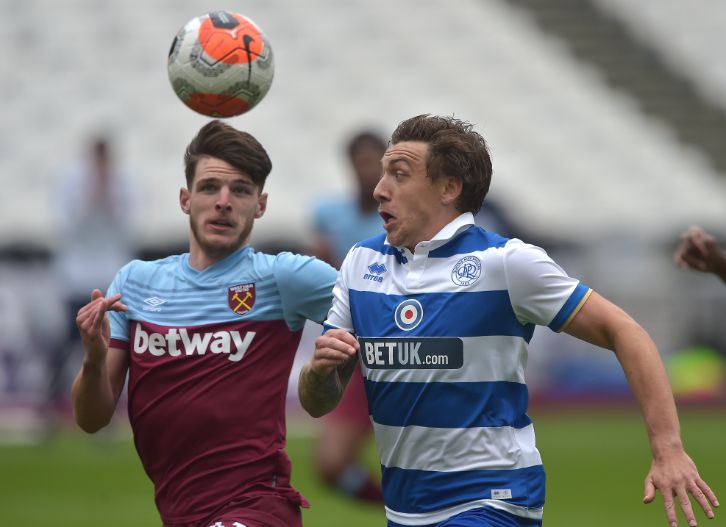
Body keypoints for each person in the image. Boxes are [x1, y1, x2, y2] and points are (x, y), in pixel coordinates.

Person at [298, 114, 719, 527]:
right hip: (406, 508)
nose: (379, 189)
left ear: (448, 188)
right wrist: (318, 373)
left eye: (399, 174)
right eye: (382, 174)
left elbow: (625, 331)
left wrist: (668, 449)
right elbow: (319, 402)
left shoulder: (507, 263)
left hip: (494, 499)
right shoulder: (360, 263)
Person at [71, 120, 338, 527]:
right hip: (181, 512)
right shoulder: (135, 283)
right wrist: (92, 358)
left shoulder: (285, 278)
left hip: (257, 506)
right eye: (210, 187)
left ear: (260, 205)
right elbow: (91, 419)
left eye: (242, 190)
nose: (224, 201)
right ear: (185, 198)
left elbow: (378, 306)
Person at [308, 131, 386, 502]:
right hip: (357, 351)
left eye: (373, 161)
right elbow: (322, 278)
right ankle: (393, 504)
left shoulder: (401, 218)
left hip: (402, 349)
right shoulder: (331, 215)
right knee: (332, 465)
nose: (365, 171)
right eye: (359, 162)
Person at [48, 135, 136, 427]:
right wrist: (92, 194)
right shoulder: (73, 180)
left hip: (110, 271)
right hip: (76, 274)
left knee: (115, 342)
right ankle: (49, 408)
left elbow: (126, 224)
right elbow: (68, 224)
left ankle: (109, 407)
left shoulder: (123, 181)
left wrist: (107, 193)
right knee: (67, 342)